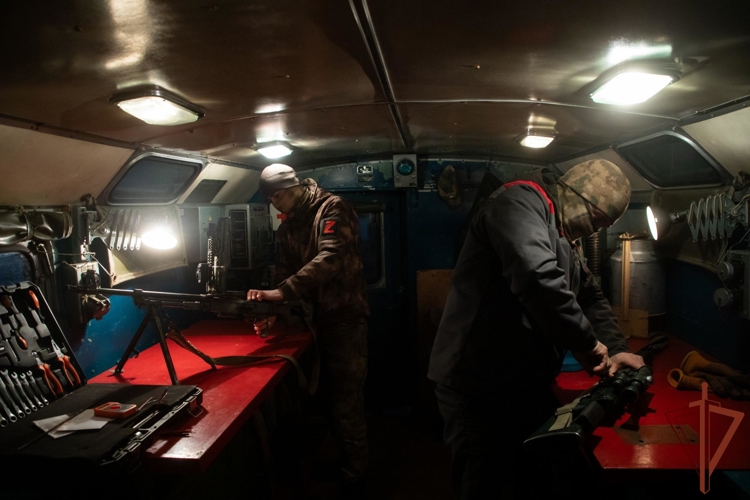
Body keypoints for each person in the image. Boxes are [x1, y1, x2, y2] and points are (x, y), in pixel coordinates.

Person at [428, 159, 645, 499]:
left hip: (519, 382)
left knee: (525, 481)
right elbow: (537, 278)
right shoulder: (517, 203)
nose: (592, 232)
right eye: (595, 221)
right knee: (484, 485)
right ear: (577, 196)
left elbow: (589, 295)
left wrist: (616, 348)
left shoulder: (561, 230)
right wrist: (588, 344)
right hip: (477, 384)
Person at [246, 163, 370, 494]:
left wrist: (282, 293)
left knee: (346, 402)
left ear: (289, 189)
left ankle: (357, 476)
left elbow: (331, 258)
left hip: (344, 319)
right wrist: (273, 311)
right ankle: (343, 462)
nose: (273, 203)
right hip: (312, 322)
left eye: (274, 197)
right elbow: (283, 270)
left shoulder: (332, 208)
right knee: (325, 399)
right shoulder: (289, 226)